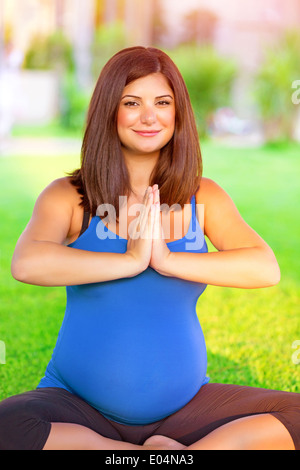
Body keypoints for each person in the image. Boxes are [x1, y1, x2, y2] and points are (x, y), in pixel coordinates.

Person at [0, 46, 299, 451]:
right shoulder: (69, 196)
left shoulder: (204, 197)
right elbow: (27, 262)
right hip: (76, 405)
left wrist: (167, 260)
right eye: (131, 103)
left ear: (177, 114)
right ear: (110, 111)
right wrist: (130, 260)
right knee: (9, 424)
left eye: (162, 102)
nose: (149, 116)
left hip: (185, 411)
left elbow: (265, 268)